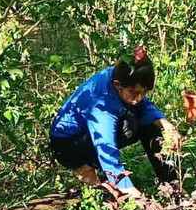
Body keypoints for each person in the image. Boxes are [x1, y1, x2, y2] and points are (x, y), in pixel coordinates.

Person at [50, 49, 181, 193]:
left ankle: (172, 184)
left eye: (144, 93)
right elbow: (106, 149)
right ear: (118, 85)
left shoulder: (124, 77)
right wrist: (132, 193)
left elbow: (144, 107)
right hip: (69, 145)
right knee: (130, 125)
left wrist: (167, 126)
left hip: (89, 132)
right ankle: (84, 167)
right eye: (135, 93)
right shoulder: (101, 105)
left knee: (147, 123)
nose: (139, 98)